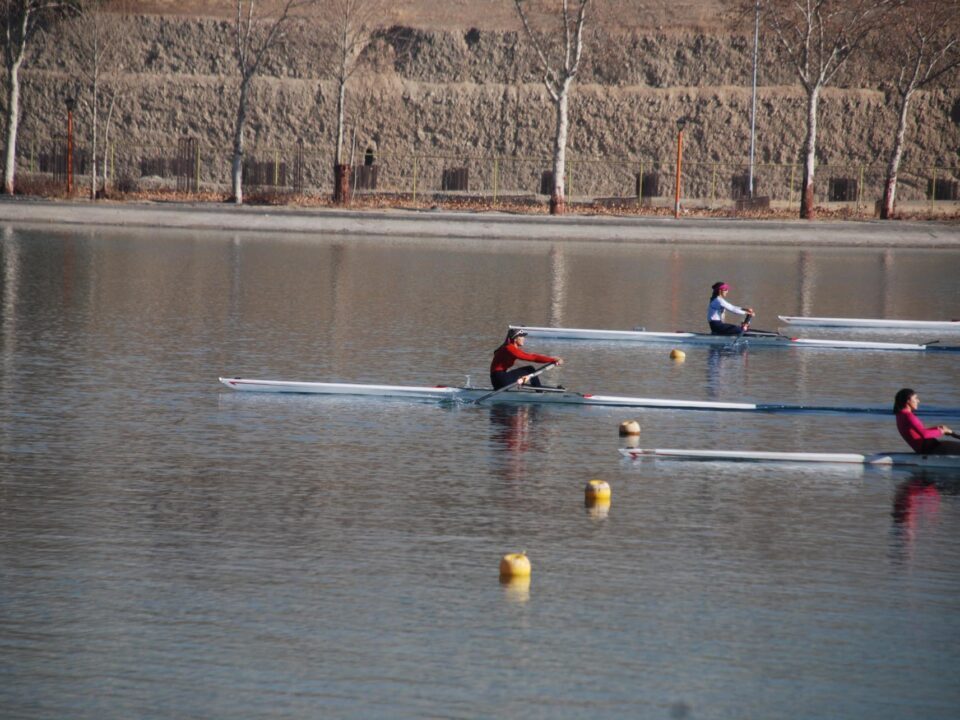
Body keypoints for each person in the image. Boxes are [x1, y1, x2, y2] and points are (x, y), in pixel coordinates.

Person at [490, 328, 563, 390]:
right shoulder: (510, 348)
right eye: (521, 337)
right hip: (500, 379)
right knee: (529, 369)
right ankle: (539, 393)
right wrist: (553, 359)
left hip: (499, 379)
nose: (524, 338)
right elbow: (532, 357)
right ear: (515, 339)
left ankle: (535, 388)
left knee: (528, 370)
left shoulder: (509, 348)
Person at [893, 388, 960, 455]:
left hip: (927, 447)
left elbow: (917, 433)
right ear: (908, 400)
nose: (918, 401)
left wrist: (936, 428)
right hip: (930, 449)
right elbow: (924, 434)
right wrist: (942, 431)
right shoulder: (909, 416)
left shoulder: (900, 415)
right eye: (916, 398)